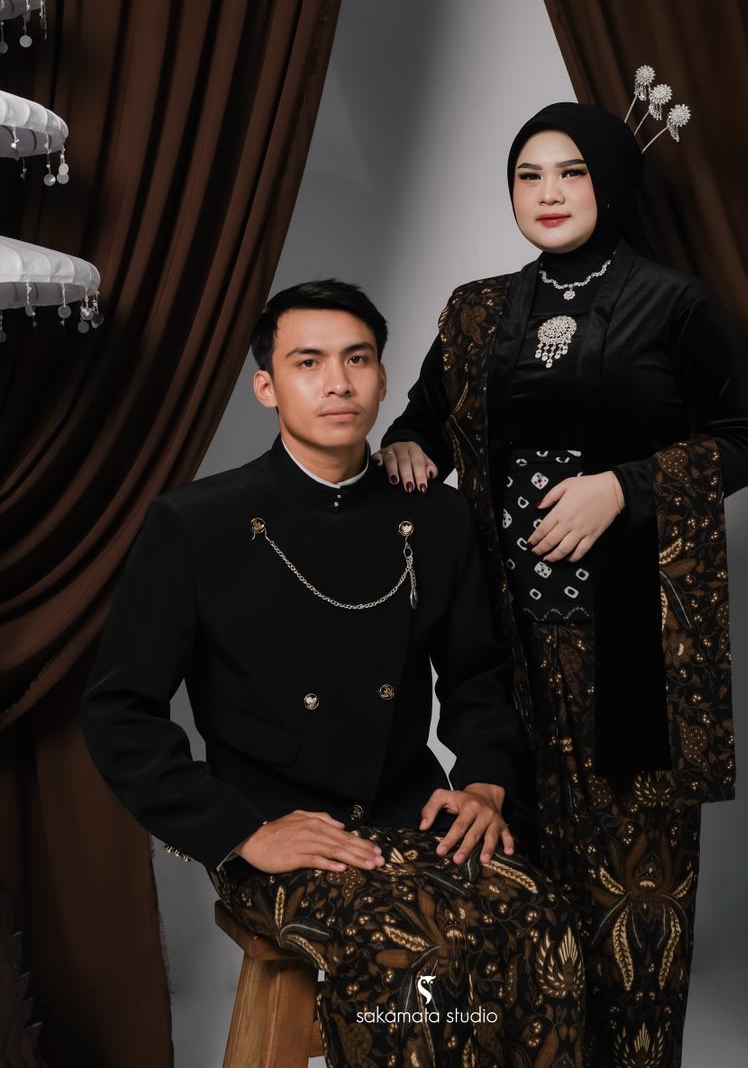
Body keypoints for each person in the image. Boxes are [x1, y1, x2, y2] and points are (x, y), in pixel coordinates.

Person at [81, 279, 587, 1068]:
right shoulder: (194, 523)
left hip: (412, 811)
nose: (338, 382)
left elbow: (477, 676)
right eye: (308, 362)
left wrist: (486, 781)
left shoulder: (438, 517)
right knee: (410, 951)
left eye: (357, 359)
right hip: (280, 829)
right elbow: (119, 709)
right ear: (267, 387)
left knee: (541, 917)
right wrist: (243, 832)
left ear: (383, 380)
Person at [378, 102, 748, 1068]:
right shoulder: (476, 311)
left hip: (632, 644)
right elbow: (425, 418)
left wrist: (624, 488)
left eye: (571, 173)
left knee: (637, 896)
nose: (547, 193)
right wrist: (408, 446)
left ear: (612, 182)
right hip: (507, 643)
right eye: (528, 175)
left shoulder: (675, 305)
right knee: (522, 878)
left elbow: (745, 442)